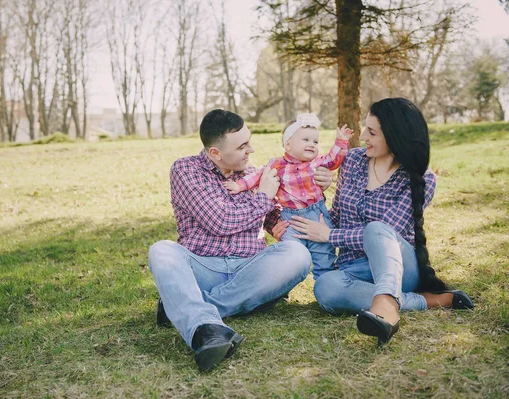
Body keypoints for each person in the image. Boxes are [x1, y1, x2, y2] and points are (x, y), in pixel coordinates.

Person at [148, 109, 332, 371]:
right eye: (242, 146)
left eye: (249, 141)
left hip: (250, 268)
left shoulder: (256, 174)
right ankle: (206, 330)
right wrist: (264, 197)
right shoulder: (186, 169)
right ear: (215, 153)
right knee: (161, 250)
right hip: (204, 266)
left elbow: (278, 214)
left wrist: (315, 188)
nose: (251, 150)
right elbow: (220, 221)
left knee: (297, 255)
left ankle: (185, 306)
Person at [288, 98, 474, 345]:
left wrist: (329, 236)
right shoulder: (353, 161)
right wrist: (301, 222)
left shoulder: (421, 178)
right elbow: (338, 216)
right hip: (354, 268)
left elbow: (386, 232)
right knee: (325, 288)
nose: (363, 135)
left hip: (400, 267)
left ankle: (386, 303)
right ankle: (428, 301)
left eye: (372, 132)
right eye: (365, 128)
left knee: (376, 229)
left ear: (395, 136)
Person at [224, 113, 353, 279]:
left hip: (316, 213)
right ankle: (282, 283)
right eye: (306, 140)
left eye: (315, 141)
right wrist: (239, 185)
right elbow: (257, 176)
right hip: (289, 218)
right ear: (288, 144)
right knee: (289, 252)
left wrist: (341, 141)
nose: (312, 145)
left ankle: (325, 280)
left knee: (323, 252)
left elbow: (334, 159)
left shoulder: (317, 163)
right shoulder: (277, 164)